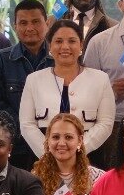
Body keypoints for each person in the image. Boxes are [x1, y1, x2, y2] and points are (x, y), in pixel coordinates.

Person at [19, 19, 114, 161]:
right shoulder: (34, 80)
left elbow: (105, 123)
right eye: (58, 41)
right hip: (44, 159)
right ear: (49, 46)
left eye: (71, 41)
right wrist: (49, 153)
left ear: (81, 45)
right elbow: (27, 124)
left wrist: (78, 149)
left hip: (88, 157)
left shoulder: (100, 79)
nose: (65, 47)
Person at [0, 0, 52, 168]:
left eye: (36, 22)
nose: (29, 28)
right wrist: (29, 130)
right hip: (16, 148)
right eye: (23, 23)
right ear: (15, 26)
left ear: (47, 23)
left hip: (54, 145)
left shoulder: (59, 59)